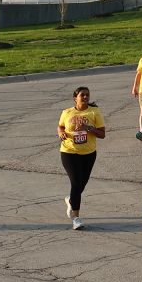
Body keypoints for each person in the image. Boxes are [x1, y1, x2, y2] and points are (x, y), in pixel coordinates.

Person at [58, 86, 105, 231]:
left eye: (87, 95)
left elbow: (102, 134)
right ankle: (75, 218)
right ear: (75, 98)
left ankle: (71, 200)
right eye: (82, 95)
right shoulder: (67, 112)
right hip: (69, 152)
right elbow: (60, 126)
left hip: (89, 153)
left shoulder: (94, 112)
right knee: (76, 183)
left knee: (81, 184)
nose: (85, 97)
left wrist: (88, 127)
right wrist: (61, 133)